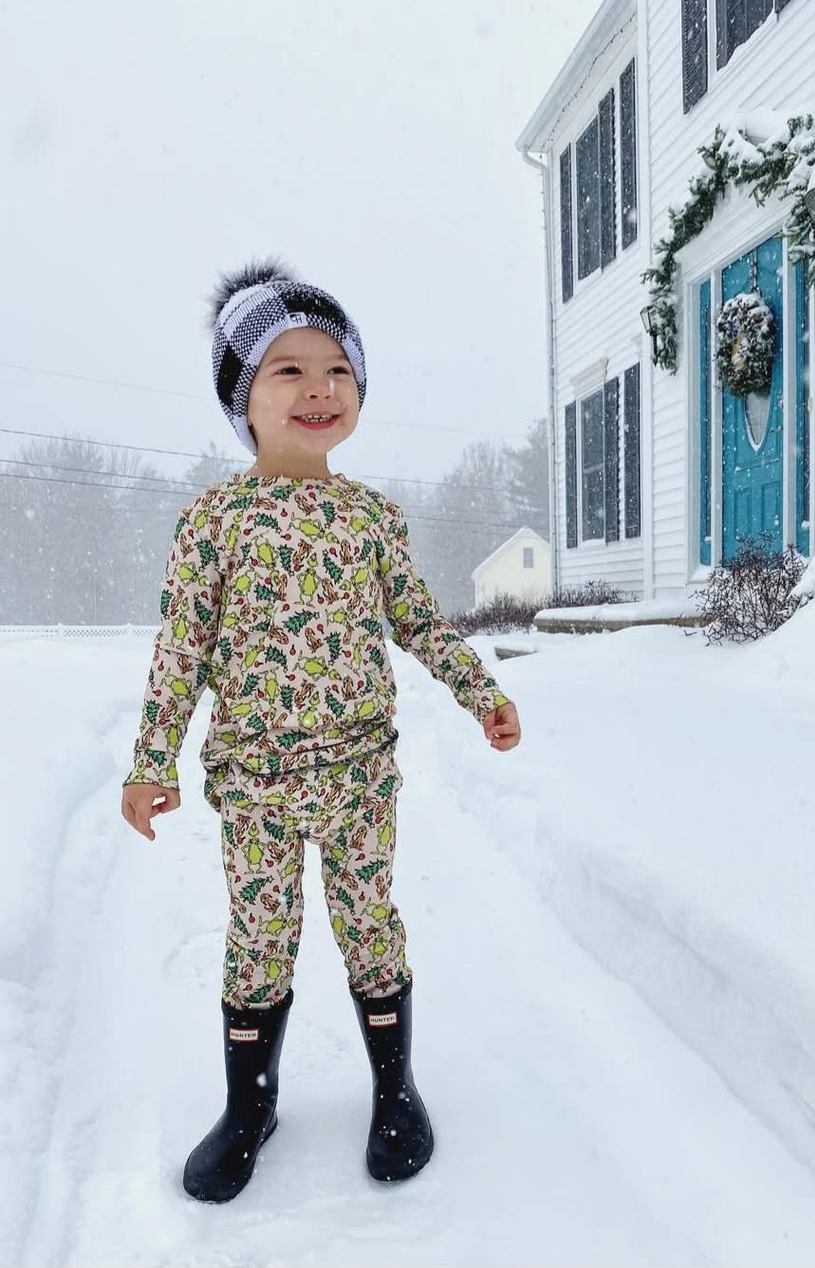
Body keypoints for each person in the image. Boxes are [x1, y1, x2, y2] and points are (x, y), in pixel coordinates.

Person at [120, 260, 521, 1202]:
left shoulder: (374, 520)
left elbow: (419, 622)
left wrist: (478, 690)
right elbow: (181, 652)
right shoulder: (213, 523)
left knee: (370, 924)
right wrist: (150, 763)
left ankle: (394, 1088)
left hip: (357, 780)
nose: (318, 389)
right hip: (254, 785)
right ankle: (249, 1105)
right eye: (287, 371)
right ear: (243, 401)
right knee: (259, 937)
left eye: (337, 370)